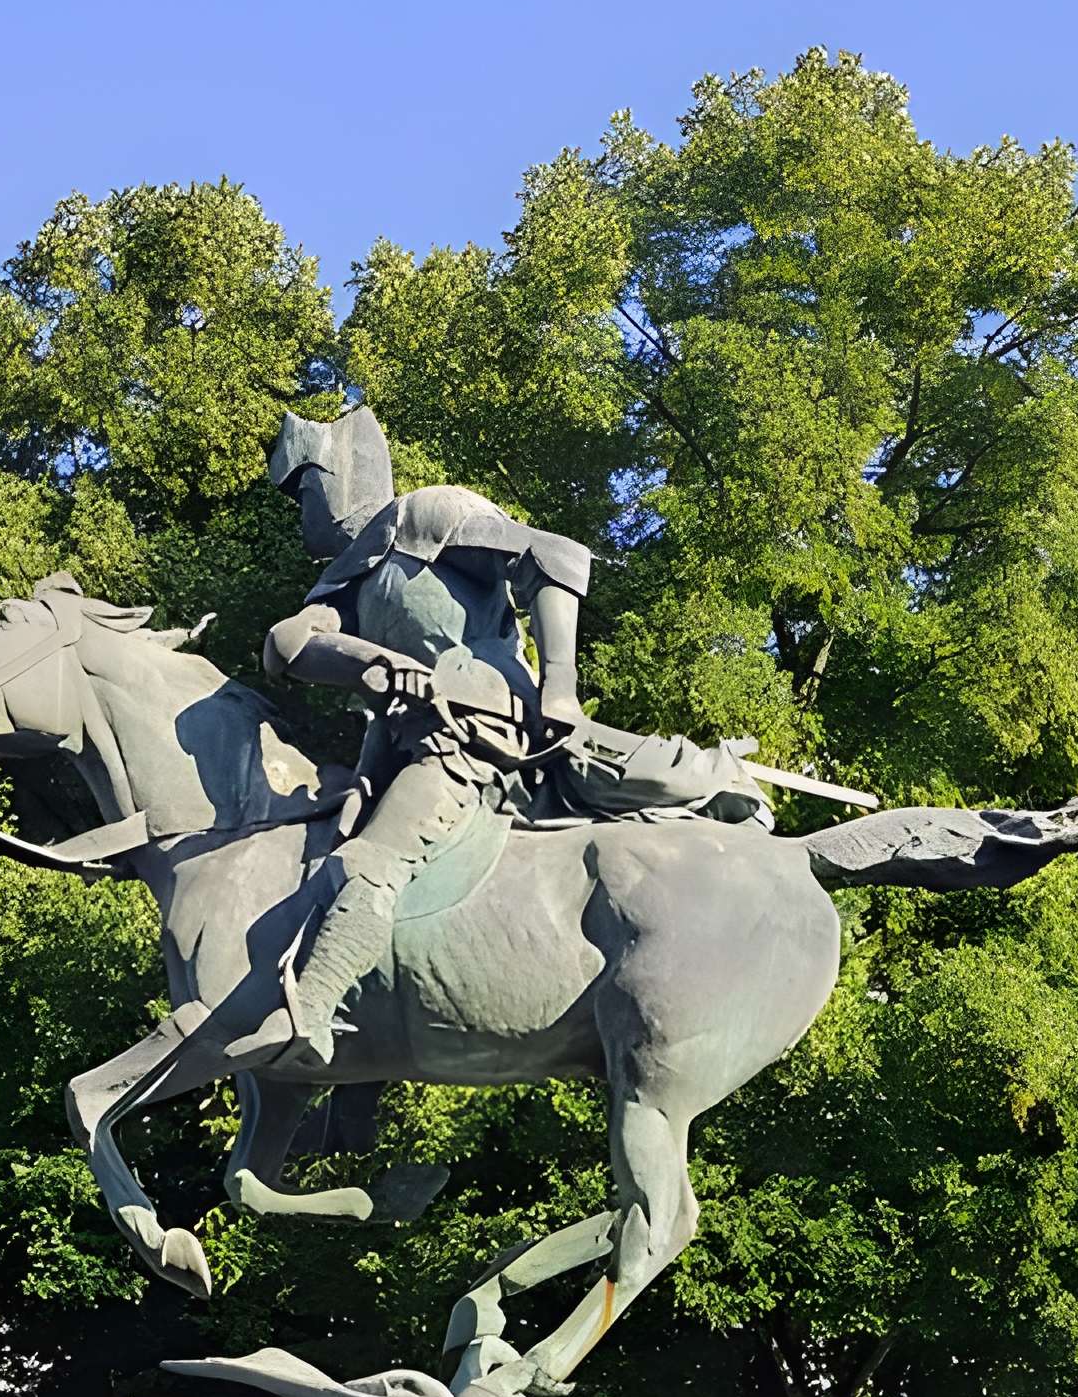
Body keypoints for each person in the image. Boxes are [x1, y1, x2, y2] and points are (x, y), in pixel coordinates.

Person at [261, 408, 770, 1063]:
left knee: (373, 863)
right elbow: (287, 643)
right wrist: (376, 663)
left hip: (472, 735)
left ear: (341, 476)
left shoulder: (426, 516)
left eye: (305, 491)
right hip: (394, 752)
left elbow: (551, 556)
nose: (302, 512)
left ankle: (310, 1015)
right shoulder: (348, 577)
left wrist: (560, 685)